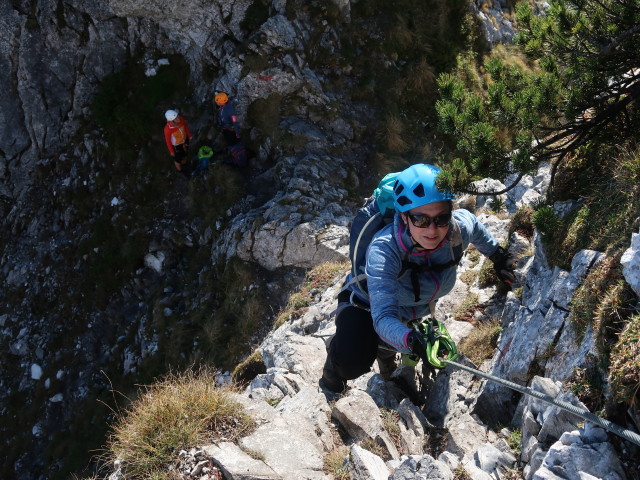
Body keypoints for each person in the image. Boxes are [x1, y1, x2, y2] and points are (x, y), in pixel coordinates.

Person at [320, 163, 516, 394]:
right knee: (351, 362)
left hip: (411, 308)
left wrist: (498, 256)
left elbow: (475, 226)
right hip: (366, 305)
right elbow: (383, 317)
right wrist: (411, 340)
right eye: (421, 220)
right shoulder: (384, 250)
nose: (432, 230)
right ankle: (333, 369)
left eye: (441, 218)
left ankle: (386, 350)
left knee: (393, 338)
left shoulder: (457, 229)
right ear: (404, 217)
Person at [163, 109, 193, 177]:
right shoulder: (167, 130)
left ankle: (185, 165)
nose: (178, 119)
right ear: (171, 121)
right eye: (175, 119)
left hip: (185, 140)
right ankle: (180, 171)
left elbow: (185, 126)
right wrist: (172, 151)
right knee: (177, 160)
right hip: (177, 146)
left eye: (177, 117)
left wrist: (189, 135)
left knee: (185, 154)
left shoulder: (181, 119)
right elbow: (168, 141)